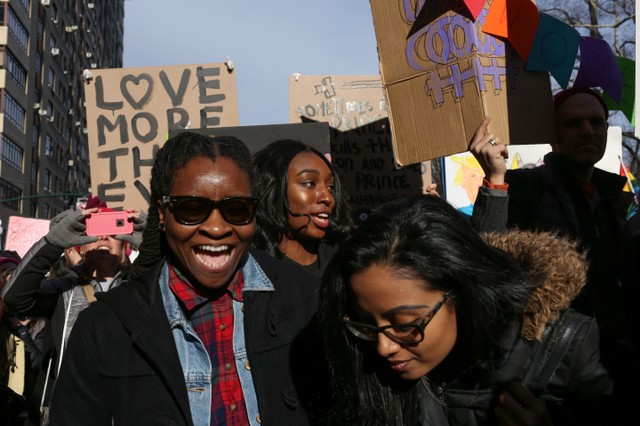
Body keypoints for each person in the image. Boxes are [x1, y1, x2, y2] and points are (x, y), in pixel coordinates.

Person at [48, 132, 319, 426]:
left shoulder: (306, 298)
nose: (217, 228)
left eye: (236, 209)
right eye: (192, 209)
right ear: (162, 214)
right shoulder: (104, 327)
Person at [316, 194, 613, 425]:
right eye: (366, 323)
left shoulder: (570, 345)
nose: (383, 347)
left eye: (405, 324)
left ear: (461, 293)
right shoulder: (365, 361)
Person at [470, 87, 638, 422]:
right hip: (549, 371)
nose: (587, 130)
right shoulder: (523, 187)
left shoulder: (613, 201)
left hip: (610, 369)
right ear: (553, 136)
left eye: (596, 121)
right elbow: (483, 260)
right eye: (573, 123)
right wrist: (495, 180)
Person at [1, 197, 146, 423]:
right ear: (81, 244)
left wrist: (152, 242)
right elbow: (13, 297)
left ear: (126, 243)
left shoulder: (142, 289)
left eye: (113, 229)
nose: (103, 236)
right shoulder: (63, 289)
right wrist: (53, 242)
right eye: (95, 229)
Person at [252, 140, 352, 275]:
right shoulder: (249, 271)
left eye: (330, 187)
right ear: (273, 189)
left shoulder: (350, 262)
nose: (328, 198)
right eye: (309, 183)